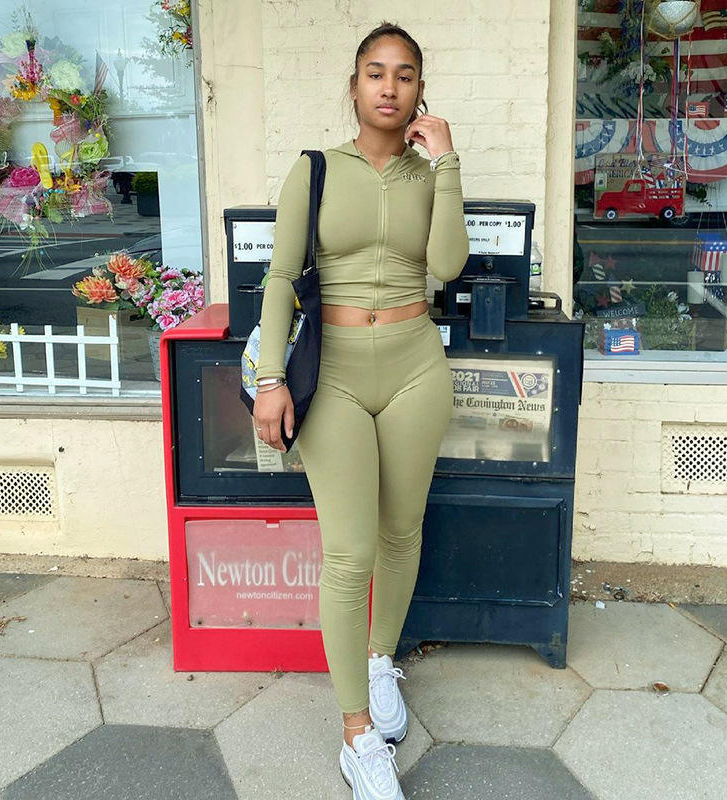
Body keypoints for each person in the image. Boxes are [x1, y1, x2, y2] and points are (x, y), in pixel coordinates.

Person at [252, 21, 469, 800]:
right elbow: (281, 279)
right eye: (374, 72)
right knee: (349, 552)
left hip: (415, 366)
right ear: (353, 86)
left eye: (404, 74)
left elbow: (447, 264)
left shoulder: (428, 174)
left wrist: (447, 162)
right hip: (334, 372)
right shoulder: (314, 171)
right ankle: (356, 734)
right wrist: (270, 378)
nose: (388, 86)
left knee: (401, 531)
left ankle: (381, 661)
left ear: (419, 92)